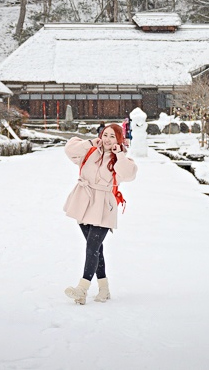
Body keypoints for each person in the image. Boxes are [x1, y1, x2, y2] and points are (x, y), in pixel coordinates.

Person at [62, 124, 137, 304]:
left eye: (112, 136)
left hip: (104, 205)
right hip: (83, 202)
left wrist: (119, 154)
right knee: (95, 248)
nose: (107, 139)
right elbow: (69, 149)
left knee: (92, 247)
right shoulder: (90, 151)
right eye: (105, 135)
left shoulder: (121, 159)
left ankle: (82, 289)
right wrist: (89, 143)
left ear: (118, 139)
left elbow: (129, 174)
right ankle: (104, 289)